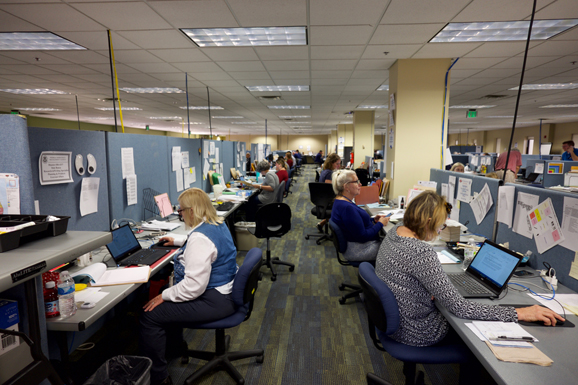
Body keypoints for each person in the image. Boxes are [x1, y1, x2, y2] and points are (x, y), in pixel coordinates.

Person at [375, 191, 564, 348]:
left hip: (396, 322)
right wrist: (520, 313)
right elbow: (460, 307)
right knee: (471, 327)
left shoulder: (395, 231)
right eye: (440, 225)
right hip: (418, 331)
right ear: (427, 222)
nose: (440, 230)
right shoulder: (420, 251)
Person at [140, 188, 238, 385]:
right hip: (227, 292)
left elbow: (193, 287)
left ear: (192, 211)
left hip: (215, 300)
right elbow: (207, 244)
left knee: (149, 315)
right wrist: (178, 240)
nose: (180, 215)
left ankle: (160, 378)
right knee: (165, 296)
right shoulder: (217, 223)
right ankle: (175, 348)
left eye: (181, 211)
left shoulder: (199, 239)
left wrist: (165, 296)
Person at [331, 170, 390, 261]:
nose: (360, 184)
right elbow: (362, 236)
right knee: (396, 250)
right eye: (356, 182)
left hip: (356, 245)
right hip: (359, 249)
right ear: (346, 186)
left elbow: (353, 224)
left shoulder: (342, 201)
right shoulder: (347, 208)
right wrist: (380, 224)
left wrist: (373, 220)